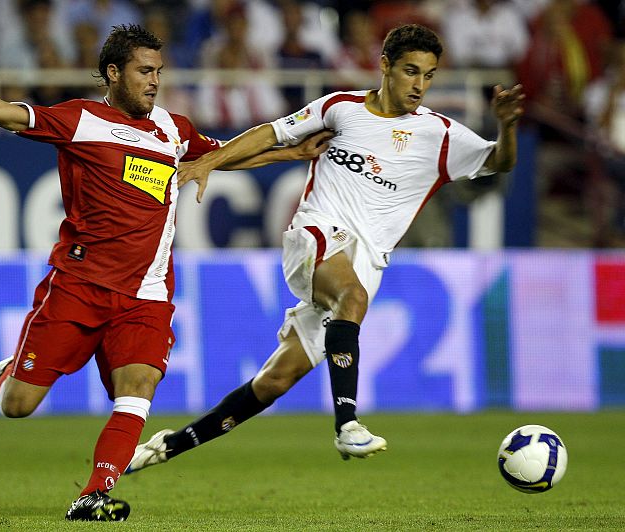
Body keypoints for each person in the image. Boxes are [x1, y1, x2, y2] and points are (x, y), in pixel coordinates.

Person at [0, 24, 329, 522]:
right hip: (78, 287)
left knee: (139, 388)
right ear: (113, 73)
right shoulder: (80, 120)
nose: (153, 81)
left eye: (158, 71)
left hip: (146, 295)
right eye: (143, 71)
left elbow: (220, 155)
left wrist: (291, 151)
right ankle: (7, 371)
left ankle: (93, 494)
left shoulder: (173, 128)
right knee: (18, 406)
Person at [127, 24, 524, 475]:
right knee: (350, 298)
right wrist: (207, 162)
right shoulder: (341, 108)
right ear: (385, 66)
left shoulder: (440, 134)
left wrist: (506, 126)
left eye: (429, 75)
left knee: (275, 380)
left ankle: (169, 445)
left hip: (365, 261)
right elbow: (273, 133)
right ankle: (347, 423)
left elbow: (498, 161)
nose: (419, 84)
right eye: (411, 71)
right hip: (315, 236)